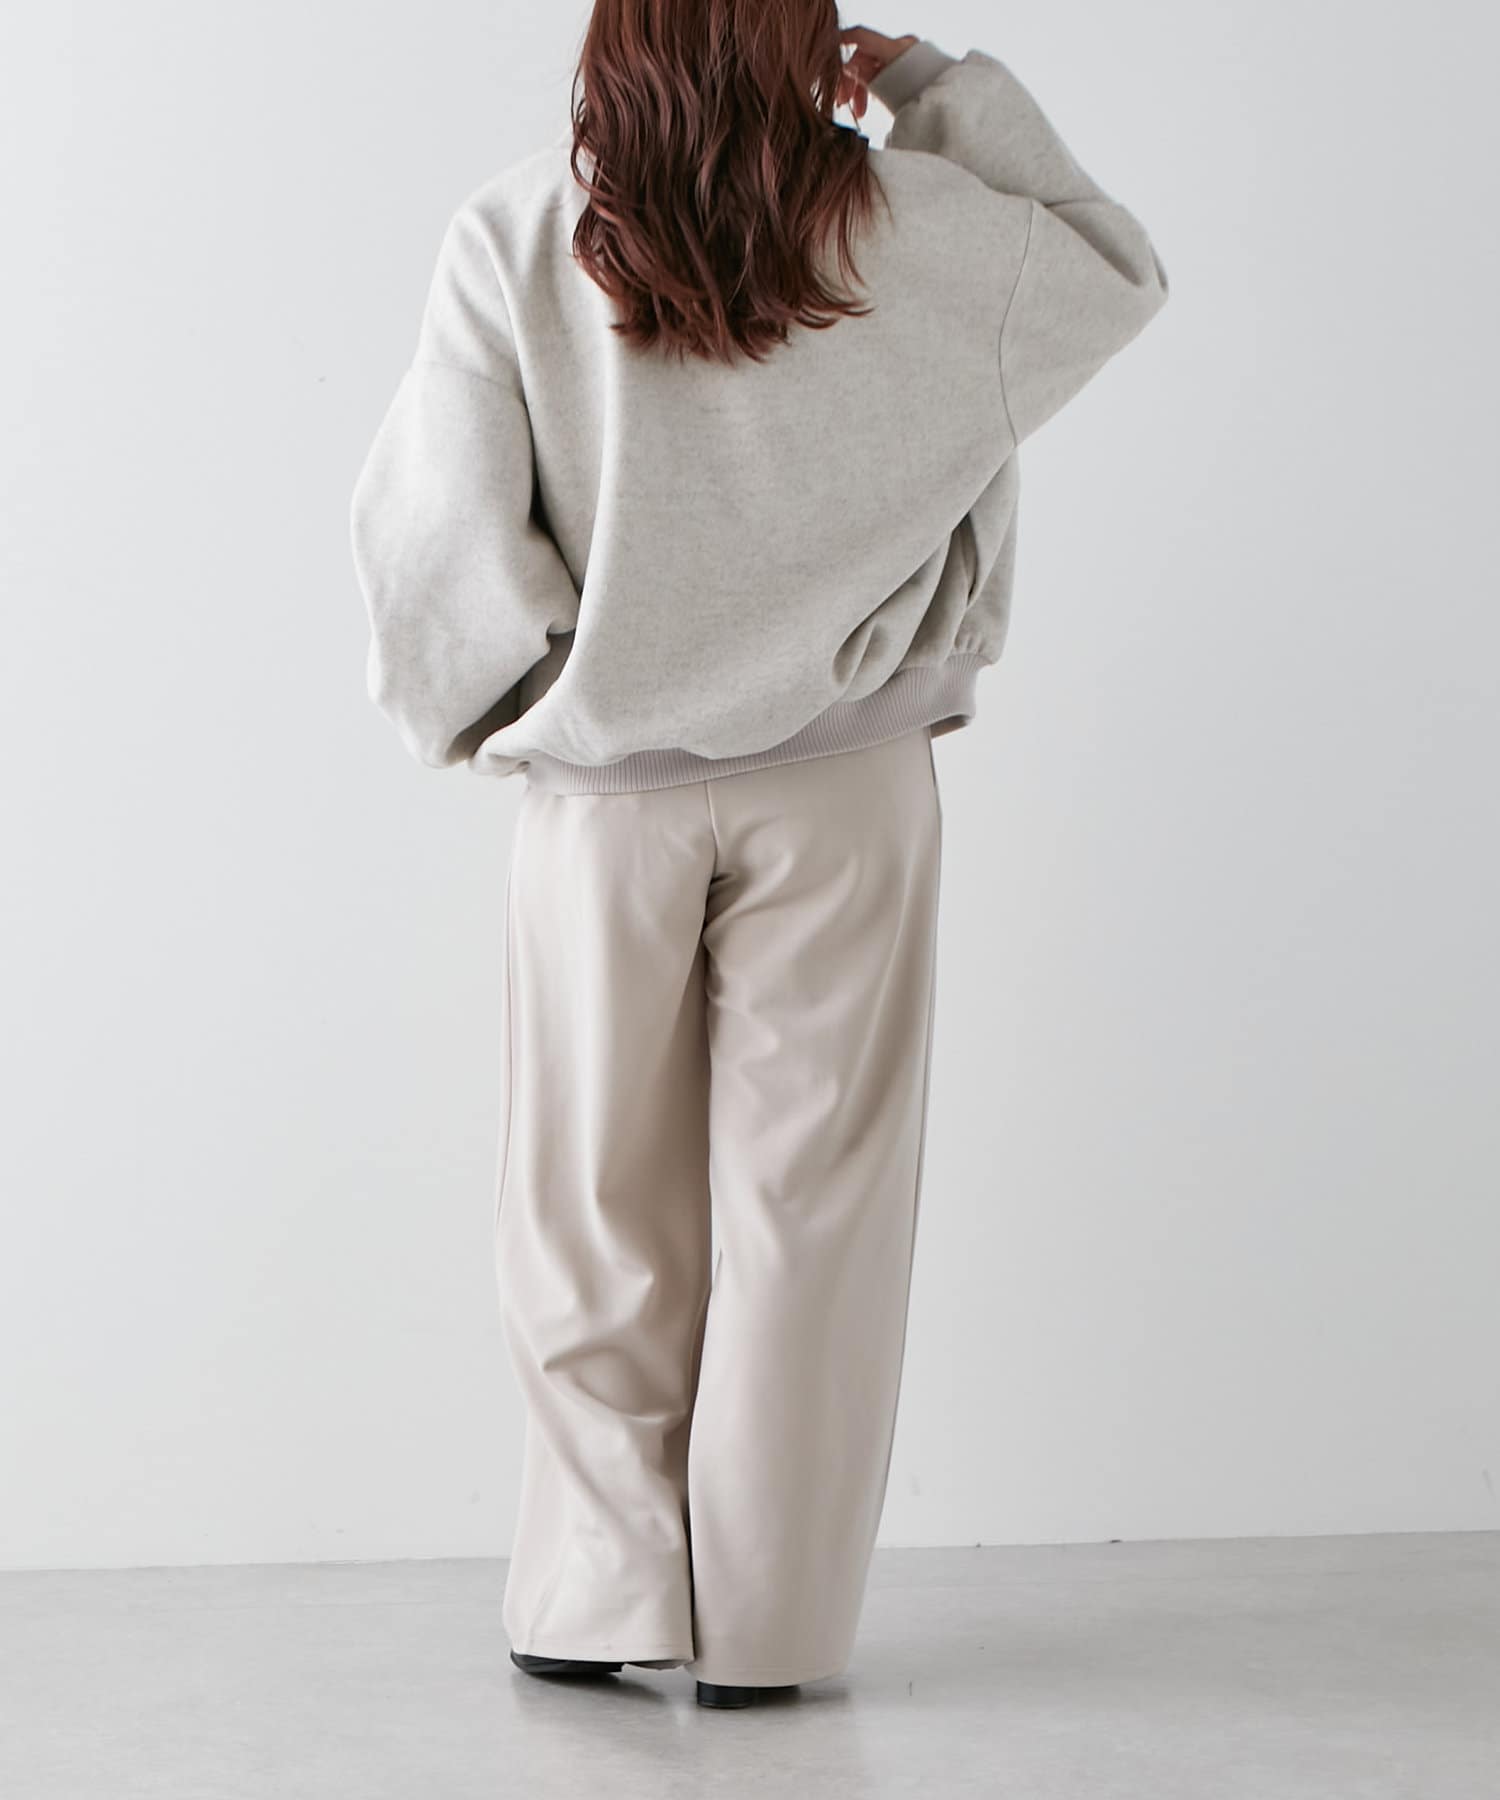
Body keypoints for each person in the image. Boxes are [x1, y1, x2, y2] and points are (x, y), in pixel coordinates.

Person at [349, 5, 1168, 1711]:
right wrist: (933, 91)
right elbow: (1109, 270)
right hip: (846, 781)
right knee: (814, 1219)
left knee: (588, 1201)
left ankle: (595, 1594)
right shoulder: (919, 228)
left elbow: (434, 532)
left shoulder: (521, 226)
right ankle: (769, 1627)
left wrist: (539, 697)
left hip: (606, 795)